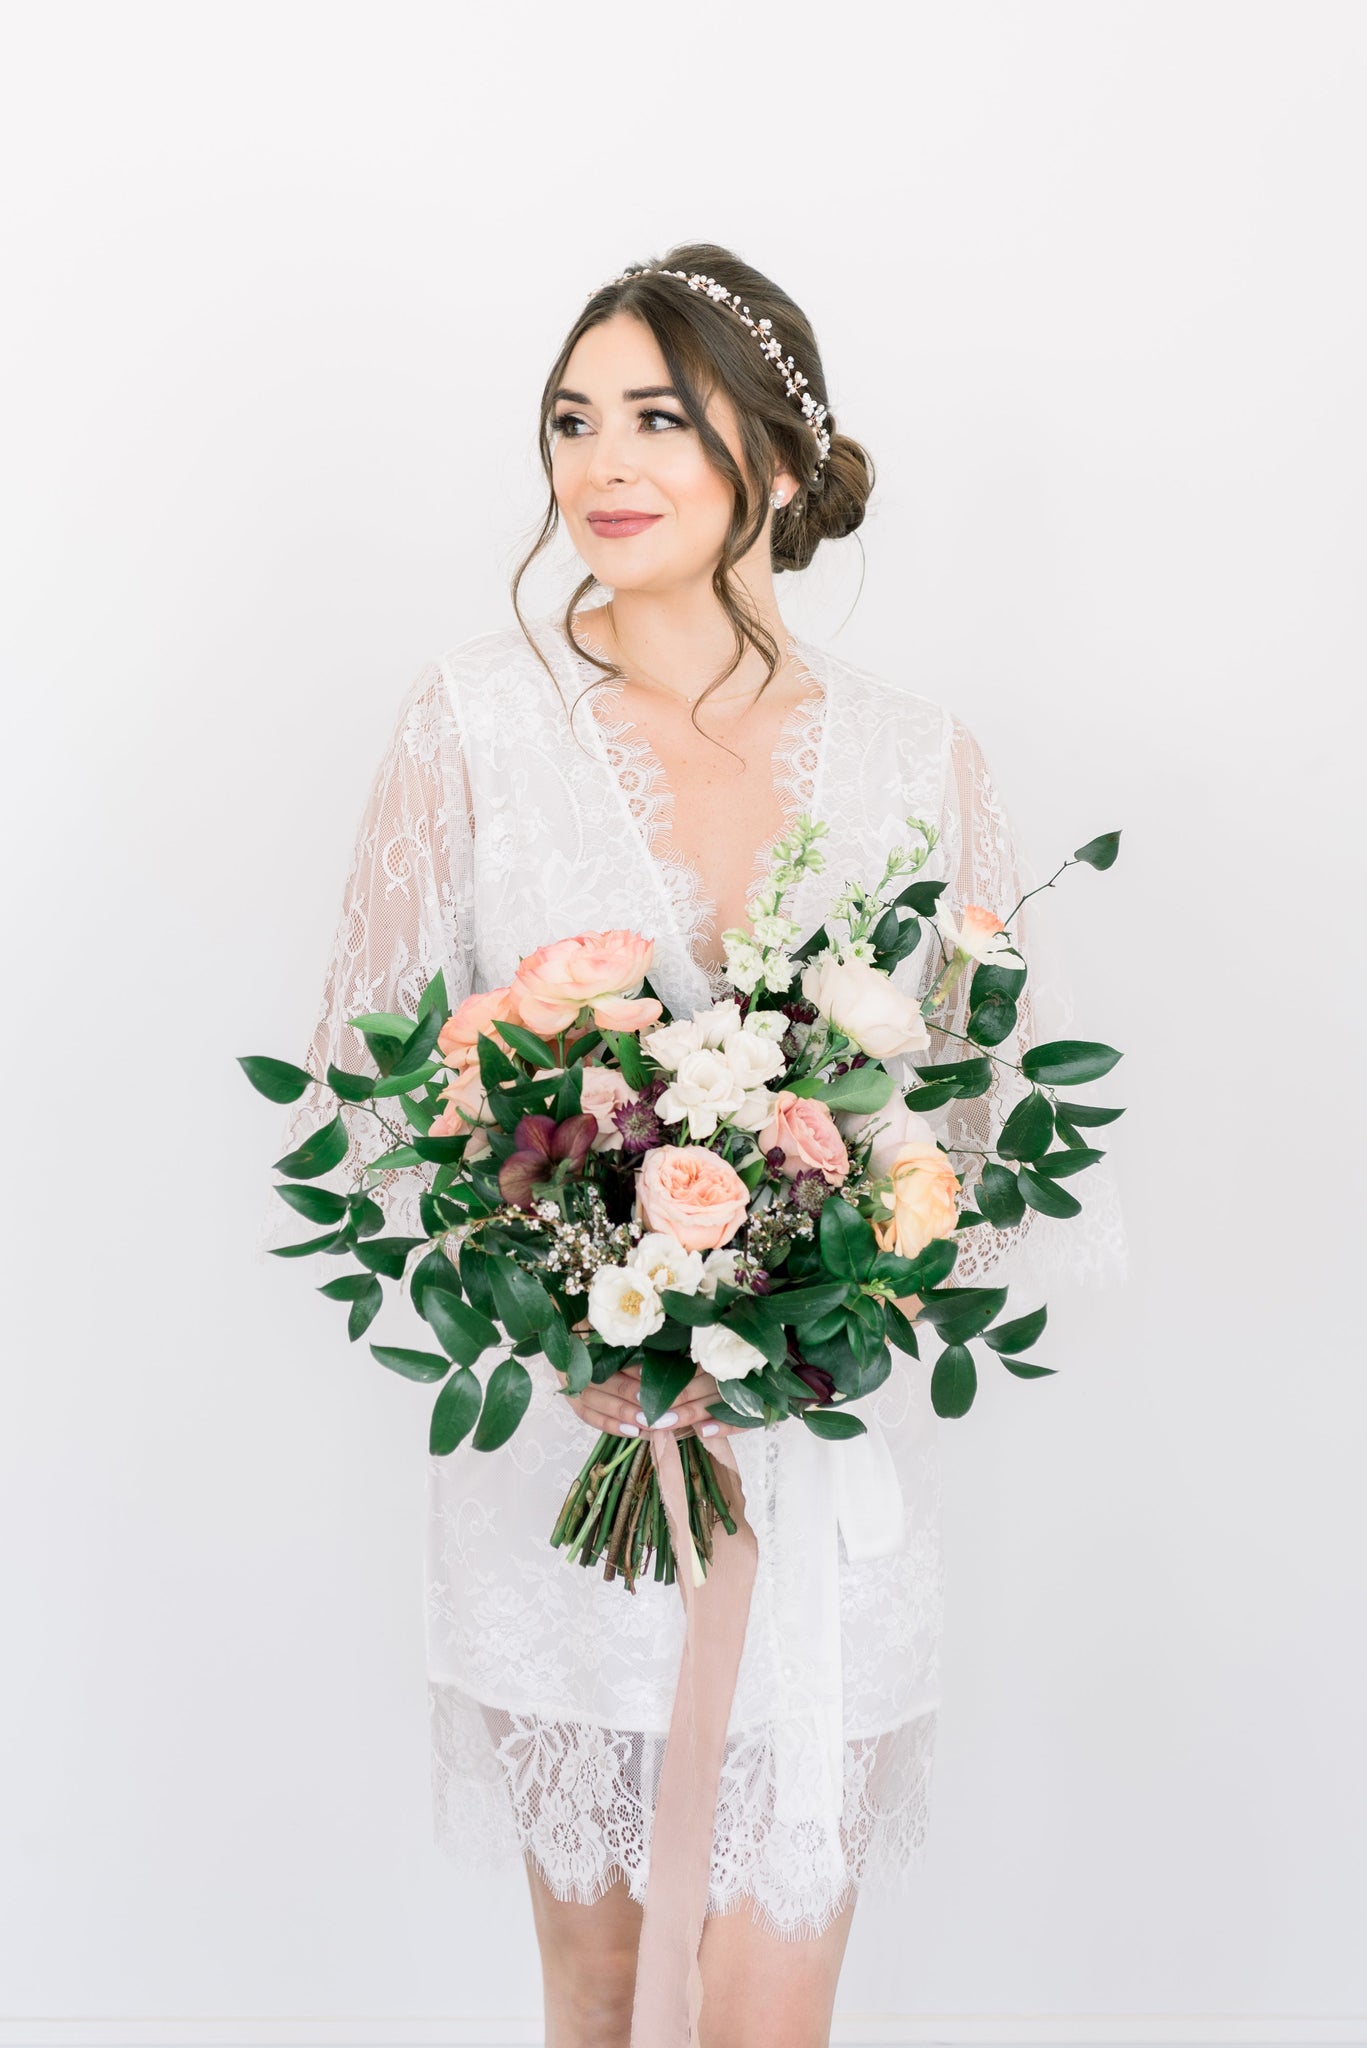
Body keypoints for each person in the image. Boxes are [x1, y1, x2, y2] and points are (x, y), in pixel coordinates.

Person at [261, 243, 1126, 2048]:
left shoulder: (916, 759)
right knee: (590, 1976)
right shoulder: (474, 727)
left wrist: (831, 1291)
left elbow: (969, 1133)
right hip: (565, 1483)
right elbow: (368, 1093)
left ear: (780, 467)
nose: (602, 463)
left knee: (766, 2000)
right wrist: (555, 1309)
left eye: (659, 415)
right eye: (573, 421)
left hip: (819, 1479)